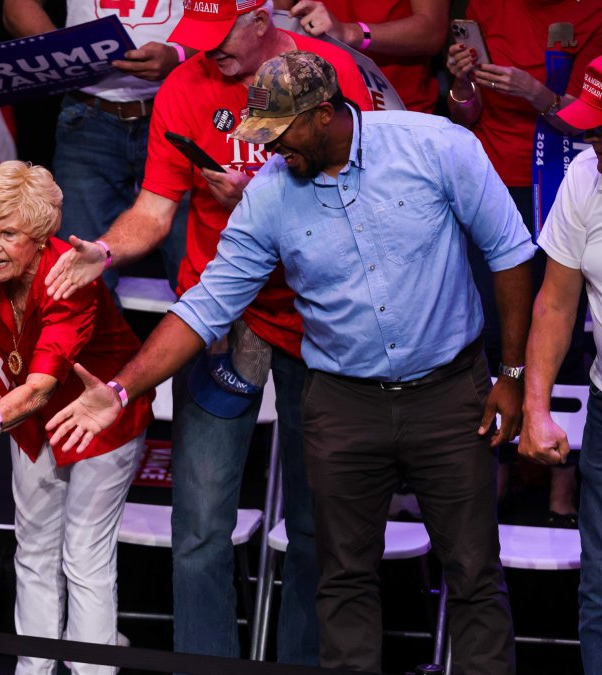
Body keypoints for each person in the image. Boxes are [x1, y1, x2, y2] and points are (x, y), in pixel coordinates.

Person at [48, 51, 534, 675]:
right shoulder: (272, 194)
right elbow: (206, 307)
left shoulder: (434, 145)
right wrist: (119, 389)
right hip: (342, 401)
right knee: (343, 578)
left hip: (448, 393)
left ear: (325, 114)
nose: (272, 150)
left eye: (282, 134)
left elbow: (511, 252)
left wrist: (513, 375)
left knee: (472, 570)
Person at [42, 0, 371, 663]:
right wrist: (103, 252)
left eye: (217, 38)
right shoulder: (185, 85)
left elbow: (370, 191)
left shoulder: (330, 72)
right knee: (198, 528)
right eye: (194, 38)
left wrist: (269, 190)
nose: (205, 52)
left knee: (317, 529)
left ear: (259, 18)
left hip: (318, 319)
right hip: (221, 321)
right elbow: (154, 210)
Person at [0, 160, 153, 675]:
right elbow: (4, 357)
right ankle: (34, 669)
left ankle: (92, 671)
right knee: (34, 549)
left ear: (42, 236)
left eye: (8, 233)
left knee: (85, 556)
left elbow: (44, 383)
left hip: (98, 418)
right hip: (25, 421)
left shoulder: (71, 277)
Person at [446, 0, 602, 529]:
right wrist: (465, 87)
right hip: (496, 182)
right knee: (492, 335)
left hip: (564, 173)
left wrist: (537, 95)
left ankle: (564, 475)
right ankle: (499, 461)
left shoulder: (592, 13)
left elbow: (590, 119)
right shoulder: (489, 5)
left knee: (572, 334)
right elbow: (466, 115)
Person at [1, 0, 191, 295]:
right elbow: (17, 6)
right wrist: (64, 55)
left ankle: (205, 342)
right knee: (78, 275)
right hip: (88, 114)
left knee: (195, 269)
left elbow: (238, 14)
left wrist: (179, 55)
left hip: (181, 111)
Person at [518, 56, 602, 674]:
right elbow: (555, 298)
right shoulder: (585, 176)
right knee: (600, 592)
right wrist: (536, 406)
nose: (594, 144)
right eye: (590, 129)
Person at [275, 0, 449, 113]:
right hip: (318, 105)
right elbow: (276, 10)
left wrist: (350, 33)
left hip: (395, 109)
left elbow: (432, 31)